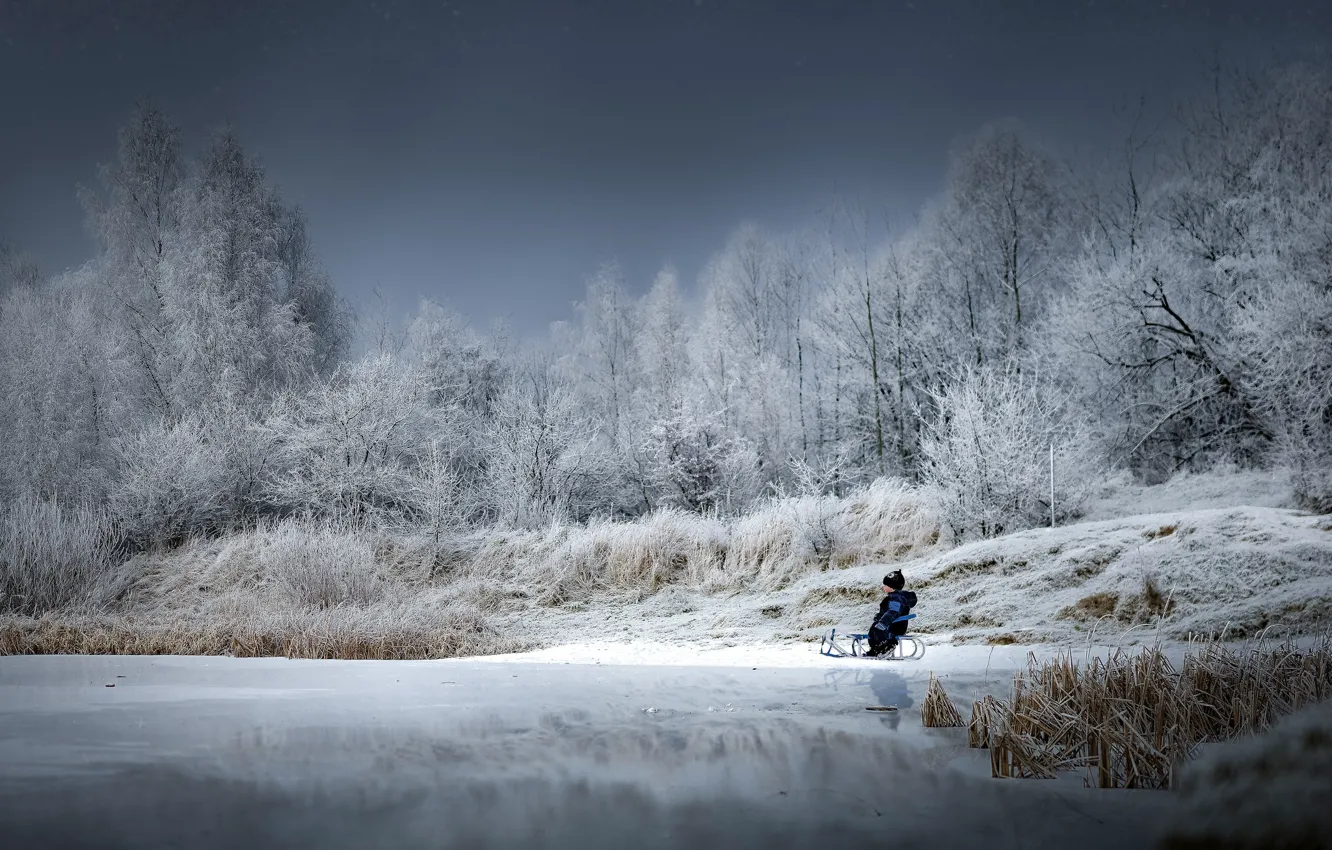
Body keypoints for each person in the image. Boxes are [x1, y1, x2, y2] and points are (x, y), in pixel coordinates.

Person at [865, 570, 916, 657]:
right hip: (895, 625)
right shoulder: (894, 598)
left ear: (892, 587)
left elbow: (893, 612)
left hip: (893, 627)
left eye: (885, 585)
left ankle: (885, 648)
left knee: (876, 631)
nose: (883, 587)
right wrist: (879, 616)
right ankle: (877, 649)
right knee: (875, 630)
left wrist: (883, 622)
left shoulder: (896, 599)